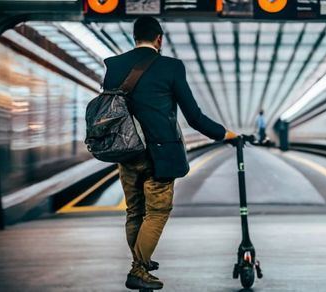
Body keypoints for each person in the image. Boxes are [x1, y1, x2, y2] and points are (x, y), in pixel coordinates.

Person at [102, 16, 237, 290]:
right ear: (159, 39)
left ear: (134, 38)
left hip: (126, 152)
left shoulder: (114, 66)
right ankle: (139, 269)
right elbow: (194, 117)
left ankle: (140, 264)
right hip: (159, 155)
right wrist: (225, 134)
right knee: (157, 212)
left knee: (134, 211)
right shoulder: (171, 68)